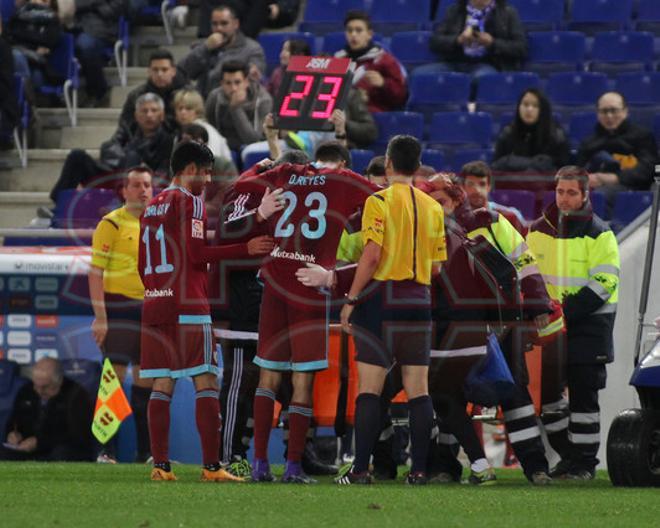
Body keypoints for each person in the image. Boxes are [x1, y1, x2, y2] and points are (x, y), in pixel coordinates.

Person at [224, 141, 377, 483]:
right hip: (310, 287)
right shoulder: (340, 180)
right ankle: (293, 467)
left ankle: (260, 464)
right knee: (302, 382)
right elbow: (381, 194)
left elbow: (239, 187)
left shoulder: (280, 176)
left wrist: (258, 170)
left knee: (267, 378)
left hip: (275, 284)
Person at [138, 140, 278, 481]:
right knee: (206, 382)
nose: (208, 178)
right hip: (188, 304)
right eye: (205, 172)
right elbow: (198, 254)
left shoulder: (151, 206)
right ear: (190, 170)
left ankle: (161, 466)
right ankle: (212, 467)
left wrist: (160, 288)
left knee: (162, 382)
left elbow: (142, 265)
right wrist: (244, 248)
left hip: (156, 301)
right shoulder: (190, 202)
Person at [427, 175, 560, 485]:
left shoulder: (489, 220)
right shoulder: (429, 231)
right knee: (448, 398)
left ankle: (536, 468)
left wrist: (539, 303)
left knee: (514, 394)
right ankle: (444, 468)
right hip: (450, 327)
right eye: (431, 203)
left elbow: (524, 261)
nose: (436, 208)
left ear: (457, 199)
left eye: (441, 202)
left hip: (502, 324)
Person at [335, 135, 447, 485]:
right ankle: (418, 471)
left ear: (387, 164)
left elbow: (371, 256)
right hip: (419, 300)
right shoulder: (433, 207)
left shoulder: (378, 201)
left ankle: (360, 470)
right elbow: (437, 270)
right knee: (419, 389)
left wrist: (351, 300)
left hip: (383, 300)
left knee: (369, 389)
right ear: (417, 166)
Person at [527, 166, 620, 481]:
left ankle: (583, 466)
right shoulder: (537, 230)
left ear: (584, 194)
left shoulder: (600, 232)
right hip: (550, 329)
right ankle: (570, 459)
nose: (564, 199)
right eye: (560, 192)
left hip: (588, 328)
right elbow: (528, 278)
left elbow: (605, 282)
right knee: (549, 400)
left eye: (571, 193)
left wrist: (563, 312)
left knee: (584, 401)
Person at [88, 166, 155, 463]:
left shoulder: (158, 222)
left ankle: (147, 454)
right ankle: (105, 451)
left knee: (146, 383)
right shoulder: (111, 224)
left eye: (148, 185)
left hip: (150, 308)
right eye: (137, 185)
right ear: (124, 191)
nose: (143, 190)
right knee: (113, 381)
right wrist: (100, 316)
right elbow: (95, 272)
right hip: (118, 308)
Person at [48, 93, 175, 205]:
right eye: (144, 111)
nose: (149, 115)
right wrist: (126, 157)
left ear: (162, 115)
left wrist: (135, 159)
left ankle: (119, 203)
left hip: (140, 183)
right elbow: (107, 149)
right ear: (136, 115)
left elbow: (163, 172)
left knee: (133, 156)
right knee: (77, 156)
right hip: (114, 174)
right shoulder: (127, 129)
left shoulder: (168, 139)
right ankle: (58, 204)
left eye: (154, 110)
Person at [420, 0, 527, 99]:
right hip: (453, 62)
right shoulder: (455, 11)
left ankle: (462, 108)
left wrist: (492, 43)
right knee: (420, 74)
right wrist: (458, 40)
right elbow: (435, 41)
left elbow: (520, 48)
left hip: (488, 64)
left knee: (481, 79)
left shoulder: (507, 13)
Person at [0, 358, 95, 462]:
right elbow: (14, 421)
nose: (39, 391)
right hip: (26, 450)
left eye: (45, 387)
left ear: (59, 381)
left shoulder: (76, 395)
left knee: (62, 453)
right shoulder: (26, 391)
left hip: (59, 451)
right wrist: (13, 434)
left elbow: (78, 435)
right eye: (36, 385)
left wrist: (39, 443)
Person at [577, 91, 658, 193]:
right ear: (597, 114)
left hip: (634, 187)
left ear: (625, 111)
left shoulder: (642, 136)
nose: (609, 116)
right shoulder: (588, 142)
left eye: (614, 110)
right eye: (604, 111)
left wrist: (616, 178)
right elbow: (579, 171)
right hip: (596, 187)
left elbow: (648, 167)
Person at [178, 4, 266, 97]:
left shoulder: (252, 49)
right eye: (215, 24)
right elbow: (183, 72)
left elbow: (254, 79)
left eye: (224, 23)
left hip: (234, 101)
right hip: (203, 103)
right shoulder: (204, 45)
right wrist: (205, 48)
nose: (219, 28)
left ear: (236, 24)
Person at [334, 10, 407, 113]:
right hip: (341, 115)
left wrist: (383, 84)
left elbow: (401, 97)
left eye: (358, 30)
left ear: (369, 34)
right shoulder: (338, 60)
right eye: (349, 30)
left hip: (372, 117)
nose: (353, 35)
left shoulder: (385, 60)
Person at [113, 49, 189, 146]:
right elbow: (124, 128)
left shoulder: (186, 96)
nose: (160, 74)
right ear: (149, 71)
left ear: (173, 71)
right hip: (142, 146)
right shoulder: (136, 96)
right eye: (155, 70)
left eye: (164, 69)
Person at [492, 88, 570, 175]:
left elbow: (564, 173)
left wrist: (510, 161)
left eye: (535, 106)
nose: (529, 109)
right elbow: (495, 167)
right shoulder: (507, 133)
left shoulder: (557, 137)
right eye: (525, 104)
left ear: (543, 110)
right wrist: (536, 163)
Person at [205, 60, 272, 152]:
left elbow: (254, 140)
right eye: (228, 83)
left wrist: (235, 108)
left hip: (250, 148)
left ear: (246, 82)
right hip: (222, 147)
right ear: (222, 84)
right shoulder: (214, 97)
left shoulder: (263, 100)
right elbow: (210, 131)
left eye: (237, 82)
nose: (233, 88)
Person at [72, 0, 124, 106]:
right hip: (69, 26)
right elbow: (70, 6)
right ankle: (59, 96)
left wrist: (86, 6)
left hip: (101, 29)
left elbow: (115, 9)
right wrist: (96, 4)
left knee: (86, 45)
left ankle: (98, 92)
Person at [7, 0, 62, 92]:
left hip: (40, 65)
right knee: (16, 56)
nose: (38, 3)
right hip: (20, 58)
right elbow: (12, 36)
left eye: (44, 0)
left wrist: (26, 40)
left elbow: (49, 41)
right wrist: (34, 46)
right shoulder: (19, 17)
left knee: (35, 75)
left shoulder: (53, 20)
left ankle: (28, 98)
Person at [459, 160, 527, 235]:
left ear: (489, 187)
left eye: (482, 184)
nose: (477, 190)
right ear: (462, 188)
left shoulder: (511, 216)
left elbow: (526, 246)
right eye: (470, 184)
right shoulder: (456, 220)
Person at [173, 88, 232, 162]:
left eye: (188, 108)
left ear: (198, 111)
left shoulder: (207, 131)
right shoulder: (179, 134)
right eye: (180, 108)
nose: (183, 112)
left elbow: (213, 160)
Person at [197, 0, 301, 39]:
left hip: (271, 14)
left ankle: (240, 42)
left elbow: (287, 10)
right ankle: (209, 38)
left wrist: (279, 8)